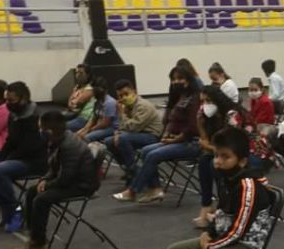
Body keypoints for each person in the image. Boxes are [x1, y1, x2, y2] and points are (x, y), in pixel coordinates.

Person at [10, 111, 99, 249]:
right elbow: (54, 167)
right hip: (71, 180)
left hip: (82, 185)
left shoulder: (69, 146)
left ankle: (37, 245)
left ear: (49, 131)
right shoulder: (58, 139)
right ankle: (34, 236)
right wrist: (44, 180)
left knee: (41, 199)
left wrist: (48, 185)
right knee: (31, 192)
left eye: (41, 128)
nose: (39, 131)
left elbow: (66, 177)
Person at [113, 65, 200, 204]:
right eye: (174, 79)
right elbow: (171, 122)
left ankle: (133, 190)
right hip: (175, 139)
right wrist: (168, 135)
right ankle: (155, 189)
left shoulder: (194, 98)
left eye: (180, 78)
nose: (176, 82)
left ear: (188, 80)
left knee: (153, 154)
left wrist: (174, 140)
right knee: (146, 151)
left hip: (191, 142)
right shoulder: (181, 97)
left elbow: (193, 127)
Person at [0, 81, 45, 231]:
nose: (7, 103)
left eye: (11, 100)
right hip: (17, 156)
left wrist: (7, 158)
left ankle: (15, 210)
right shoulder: (13, 114)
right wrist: (2, 156)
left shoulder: (34, 117)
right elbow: (10, 140)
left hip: (33, 160)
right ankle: (8, 208)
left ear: (23, 98)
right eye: (6, 99)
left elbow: (30, 146)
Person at [194, 85, 244, 228]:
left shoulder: (231, 114)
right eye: (203, 102)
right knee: (204, 160)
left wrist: (208, 147)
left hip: (246, 152)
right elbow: (206, 140)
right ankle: (207, 205)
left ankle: (224, 208)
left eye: (208, 101)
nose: (205, 105)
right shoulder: (210, 117)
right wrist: (200, 124)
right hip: (224, 152)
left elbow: (231, 147)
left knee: (214, 164)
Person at [105, 79, 162, 181]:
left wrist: (121, 114)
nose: (124, 98)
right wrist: (117, 133)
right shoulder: (127, 106)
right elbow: (122, 126)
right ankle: (128, 167)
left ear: (134, 91)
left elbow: (132, 127)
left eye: (126, 94)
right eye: (120, 96)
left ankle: (134, 172)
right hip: (136, 134)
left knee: (122, 139)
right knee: (109, 141)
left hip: (151, 135)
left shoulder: (143, 105)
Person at [76, 78, 118, 144]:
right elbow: (94, 118)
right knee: (77, 135)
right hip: (100, 126)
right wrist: (85, 129)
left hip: (111, 128)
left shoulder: (109, 102)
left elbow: (105, 123)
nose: (95, 92)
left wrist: (90, 130)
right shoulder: (98, 101)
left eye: (97, 89)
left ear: (104, 90)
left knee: (86, 137)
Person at [64, 64, 94, 131]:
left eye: (81, 73)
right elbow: (70, 103)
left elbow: (76, 104)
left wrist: (73, 102)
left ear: (88, 75)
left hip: (85, 119)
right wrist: (72, 102)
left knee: (60, 127)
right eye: (77, 72)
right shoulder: (77, 87)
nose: (78, 75)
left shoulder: (90, 89)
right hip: (77, 115)